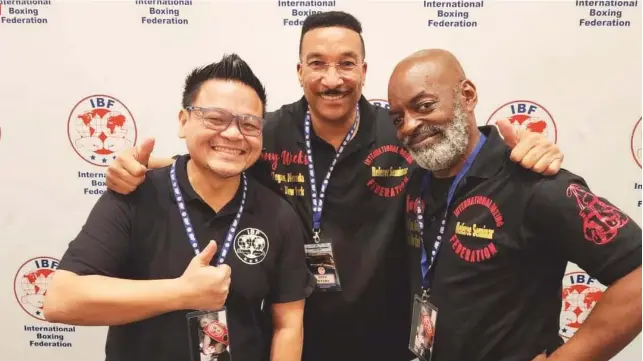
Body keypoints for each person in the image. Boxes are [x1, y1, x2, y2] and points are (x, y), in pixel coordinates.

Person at [103, 12, 566, 361]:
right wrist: (141, 168)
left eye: (346, 63)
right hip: (293, 336)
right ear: (300, 71)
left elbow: (462, 151)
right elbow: (215, 157)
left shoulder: (403, 130)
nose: (332, 78)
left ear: (364, 70)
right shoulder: (268, 131)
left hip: (390, 341)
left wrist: (525, 152)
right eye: (317, 64)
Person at [43, 54, 316, 361]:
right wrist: (181, 293)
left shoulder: (278, 214)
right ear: (183, 121)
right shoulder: (135, 195)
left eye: (249, 123)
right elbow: (60, 300)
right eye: (215, 118)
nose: (232, 133)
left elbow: (288, 326)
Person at [390, 48, 642, 361]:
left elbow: (637, 274)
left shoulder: (535, 184)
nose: (410, 125)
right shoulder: (415, 182)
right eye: (398, 118)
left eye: (425, 106)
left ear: (466, 96)